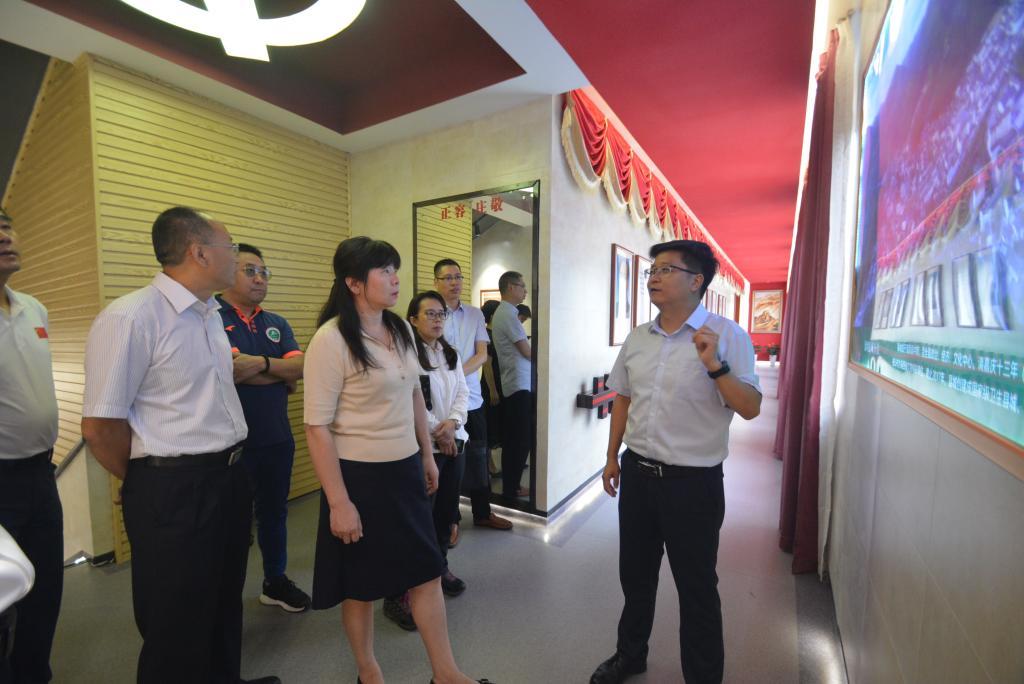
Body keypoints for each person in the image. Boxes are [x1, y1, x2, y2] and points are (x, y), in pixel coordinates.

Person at [81, 207, 279, 684]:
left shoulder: (208, 315)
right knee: (176, 620)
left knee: (223, 601)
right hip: (173, 488)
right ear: (198, 253)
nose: (236, 257)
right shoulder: (131, 317)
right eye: (231, 248)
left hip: (228, 477)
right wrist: (147, 479)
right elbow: (100, 426)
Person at [303, 236, 491, 684]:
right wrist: (339, 503)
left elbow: (413, 395)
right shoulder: (331, 340)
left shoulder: (400, 330)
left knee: (427, 571)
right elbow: (317, 428)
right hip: (359, 479)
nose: (395, 279)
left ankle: (445, 673)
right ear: (353, 283)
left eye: (395, 269)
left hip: (405, 468)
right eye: (384, 271)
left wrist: (426, 455)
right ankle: (369, 672)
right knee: (360, 586)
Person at [590, 240, 762, 684]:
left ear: (696, 280)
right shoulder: (638, 338)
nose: (654, 277)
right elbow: (624, 397)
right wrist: (611, 458)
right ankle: (630, 655)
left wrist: (715, 366)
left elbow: (751, 407)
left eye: (666, 269)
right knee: (636, 578)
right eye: (653, 270)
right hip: (638, 475)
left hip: (693, 484)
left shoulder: (728, 336)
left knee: (697, 587)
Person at [217, 244, 310, 613]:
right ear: (228, 272)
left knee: (274, 513)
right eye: (250, 271)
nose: (259, 279)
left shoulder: (276, 323)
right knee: (233, 525)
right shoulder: (210, 318)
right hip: (230, 444)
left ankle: (275, 581)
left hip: (275, 437)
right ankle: (226, 599)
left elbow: (301, 367)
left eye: (263, 272)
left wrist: (259, 366)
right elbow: (229, 371)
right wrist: (278, 372)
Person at [0, 208, 63, 684]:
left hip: (40, 473)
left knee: (45, 590)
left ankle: (34, 674)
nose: (5, 237)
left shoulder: (33, 308)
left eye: (6, 226)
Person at [433, 260, 512, 533]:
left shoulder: (475, 314)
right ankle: (451, 520)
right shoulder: (432, 314)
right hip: (442, 403)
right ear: (436, 282)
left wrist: (455, 375)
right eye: (447, 278)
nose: (454, 282)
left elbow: (482, 354)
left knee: (479, 455)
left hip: (473, 400)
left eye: (458, 277)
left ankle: (482, 512)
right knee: (448, 459)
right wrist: (452, 379)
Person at [489, 271, 532, 499]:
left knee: (517, 438)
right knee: (519, 440)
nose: (525, 291)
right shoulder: (506, 313)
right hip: (517, 385)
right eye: (522, 286)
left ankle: (512, 486)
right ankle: (511, 488)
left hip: (517, 384)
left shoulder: (508, 313)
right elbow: (527, 352)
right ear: (511, 287)